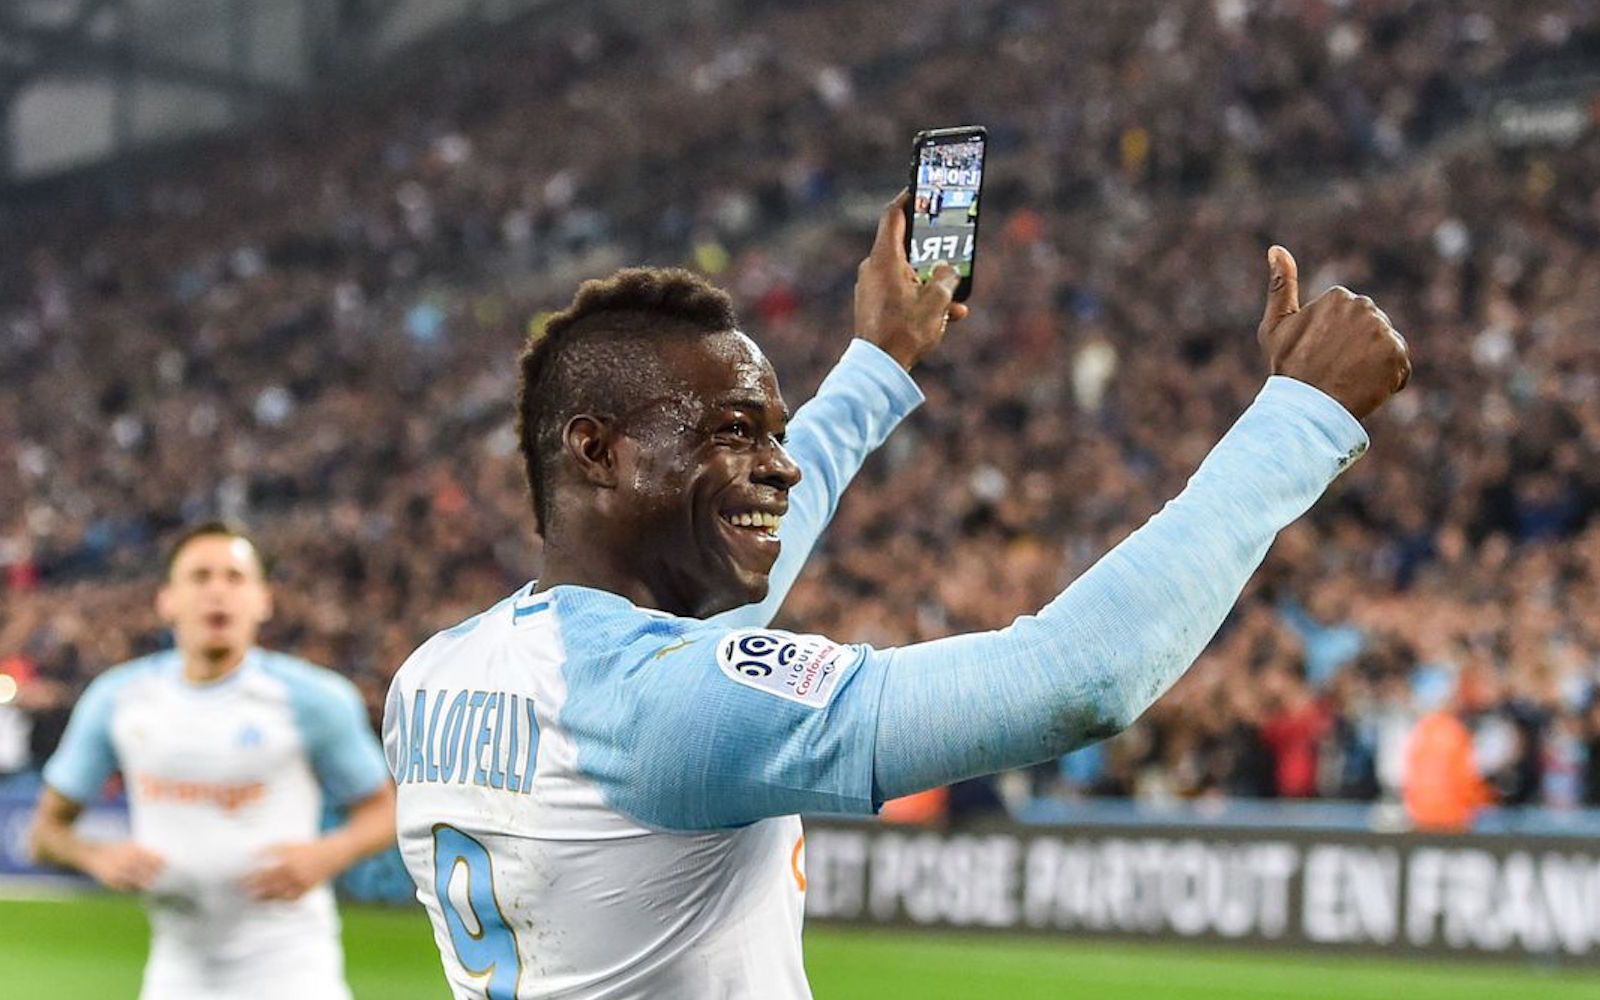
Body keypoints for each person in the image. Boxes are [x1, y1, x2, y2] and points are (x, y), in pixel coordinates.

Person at [384, 195, 1410, 998]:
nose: (780, 465)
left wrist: (879, 363)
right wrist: (1301, 419)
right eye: (734, 431)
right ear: (596, 451)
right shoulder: (661, 709)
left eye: (774, 433)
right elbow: (1078, 677)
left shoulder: (436, 676)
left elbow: (707, 618)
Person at [29, 523, 396, 1000]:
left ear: (263, 600)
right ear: (167, 600)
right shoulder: (117, 699)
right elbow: (45, 834)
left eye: (235, 577)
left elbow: (385, 810)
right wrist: (96, 856)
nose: (217, 591)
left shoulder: (313, 699)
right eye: (200, 576)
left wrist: (328, 854)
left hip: (294, 973)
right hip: (175, 977)